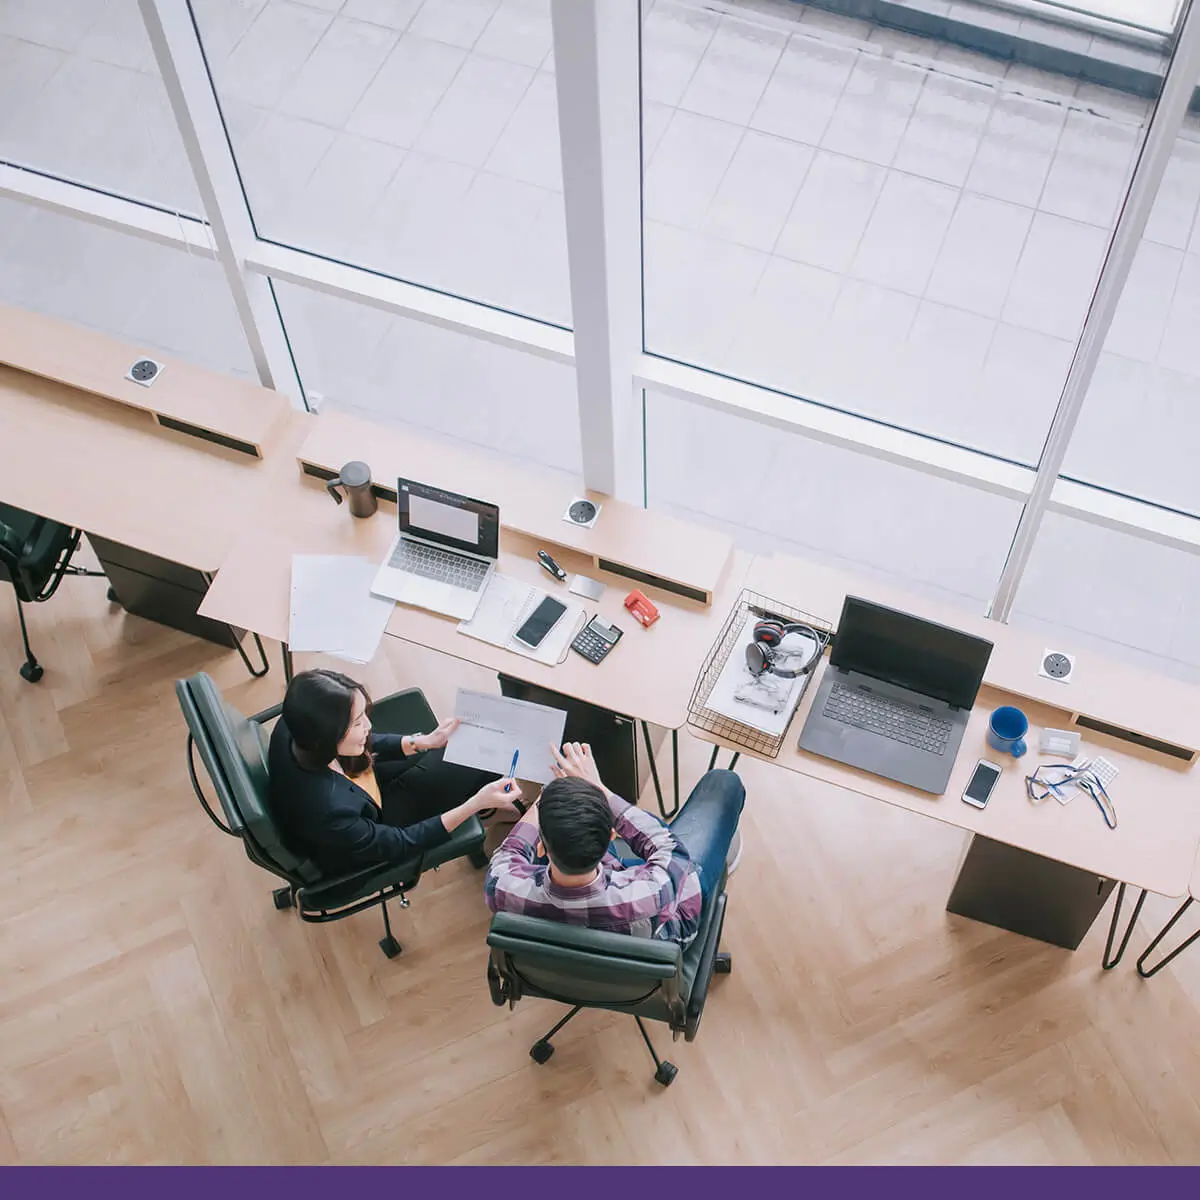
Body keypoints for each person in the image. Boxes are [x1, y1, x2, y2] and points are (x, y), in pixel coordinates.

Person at [484, 742, 744, 945]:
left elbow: (510, 852)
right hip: (662, 937)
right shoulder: (651, 890)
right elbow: (670, 849)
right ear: (612, 835)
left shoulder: (503, 887)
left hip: (581, 960)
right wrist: (599, 788)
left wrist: (548, 797)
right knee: (724, 782)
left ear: (540, 849)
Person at [268, 669, 519, 873]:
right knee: (476, 756)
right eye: (357, 722)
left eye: (363, 714)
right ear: (326, 736)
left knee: (471, 745)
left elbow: (364, 743)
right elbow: (401, 843)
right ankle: (487, 809)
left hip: (361, 787)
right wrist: (473, 805)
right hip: (372, 829)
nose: (368, 725)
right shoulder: (331, 812)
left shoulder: (296, 725)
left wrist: (424, 742)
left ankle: (489, 807)